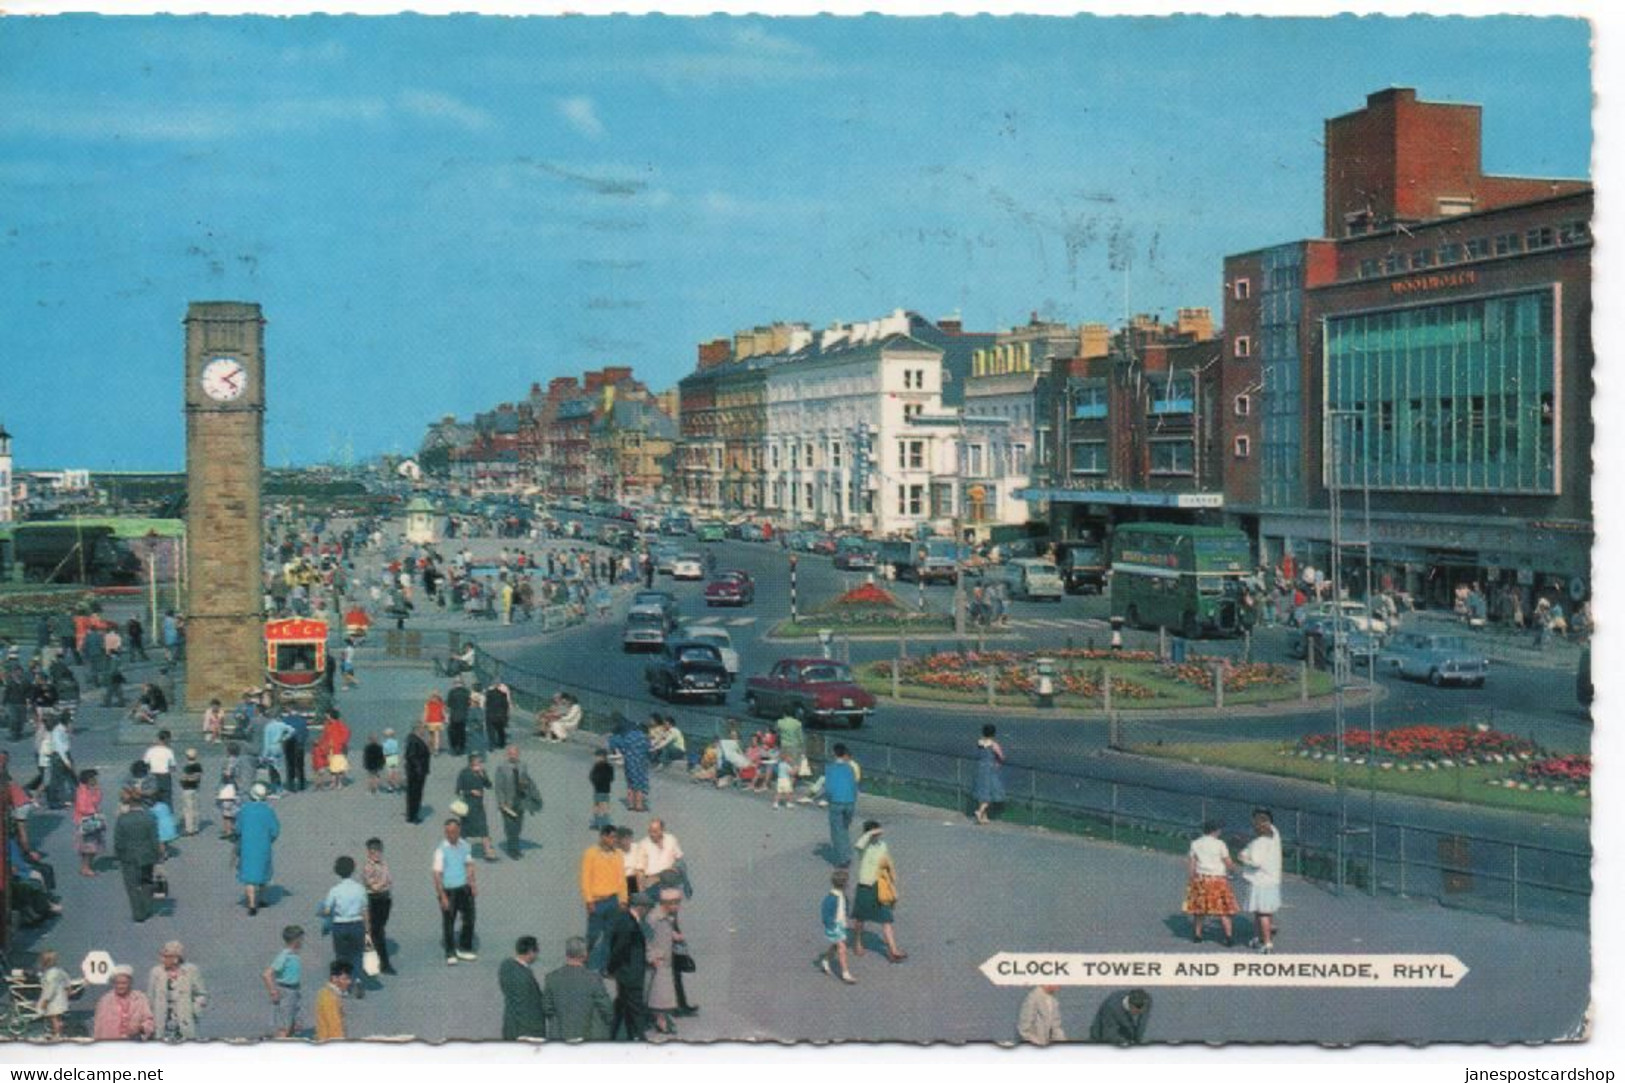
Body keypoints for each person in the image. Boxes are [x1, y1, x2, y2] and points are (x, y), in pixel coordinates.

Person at [851, 821, 907, 963]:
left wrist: (891, 880)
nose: (878, 836)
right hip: (865, 885)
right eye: (875, 833)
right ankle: (857, 941)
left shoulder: (882, 845)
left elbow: (888, 862)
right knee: (860, 917)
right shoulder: (864, 847)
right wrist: (869, 834)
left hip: (880, 885)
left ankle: (893, 950)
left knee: (886, 918)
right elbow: (858, 845)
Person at [541, 936, 613, 1041]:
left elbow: (546, 1008)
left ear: (567, 953)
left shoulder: (551, 978)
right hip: (589, 1037)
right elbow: (607, 1010)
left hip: (560, 1037)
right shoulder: (593, 979)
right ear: (585, 954)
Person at [319, 856, 372, 999]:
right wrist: (367, 929)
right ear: (353, 869)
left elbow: (327, 910)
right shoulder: (360, 889)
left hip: (340, 925)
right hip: (357, 924)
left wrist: (322, 913)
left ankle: (344, 987)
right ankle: (358, 979)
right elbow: (365, 910)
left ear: (337, 871)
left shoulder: (335, 890)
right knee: (357, 955)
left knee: (342, 956)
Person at [606, 891, 655, 1040]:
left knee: (622, 1005)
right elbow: (619, 949)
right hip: (630, 974)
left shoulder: (626, 920)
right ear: (640, 907)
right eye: (647, 908)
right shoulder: (628, 923)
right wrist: (611, 967)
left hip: (626, 973)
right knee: (636, 1008)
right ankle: (641, 1039)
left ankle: (614, 1034)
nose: (648, 912)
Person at [580, 824, 628, 972]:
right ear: (603, 837)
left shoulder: (618, 854)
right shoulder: (591, 854)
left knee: (609, 935)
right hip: (597, 902)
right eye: (612, 837)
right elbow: (585, 878)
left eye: (616, 837)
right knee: (592, 935)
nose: (615, 840)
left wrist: (623, 899)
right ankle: (584, 960)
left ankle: (605, 967)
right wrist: (588, 900)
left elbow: (622, 879)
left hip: (613, 901)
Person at [1184, 820, 1239, 945]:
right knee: (1224, 910)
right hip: (1218, 879)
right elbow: (1227, 861)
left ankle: (1198, 935)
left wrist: (1192, 877)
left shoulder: (1195, 843)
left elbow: (1192, 862)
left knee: (1199, 909)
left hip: (1202, 878)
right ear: (1215, 831)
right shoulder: (1220, 844)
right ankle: (1228, 936)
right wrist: (1234, 870)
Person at [433, 817, 479, 964]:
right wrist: (442, 896)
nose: (450, 834)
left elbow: (469, 864)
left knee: (470, 918)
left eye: (453, 831)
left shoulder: (465, 845)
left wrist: (472, 884)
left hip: (464, 888)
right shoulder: (441, 850)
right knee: (449, 922)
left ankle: (464, 948)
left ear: (459, 831)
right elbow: (437, 875)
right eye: (447, 832)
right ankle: (450, 952)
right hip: (449, 890)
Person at [113, 788, 162, 922]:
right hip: (147, 855)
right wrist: (158, 856)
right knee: (146, 881)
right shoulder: (150, 817)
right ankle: (146, 907)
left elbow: (118, 841)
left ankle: (138, 913)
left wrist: (118, 855)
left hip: (128, 856)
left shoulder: (122, 819)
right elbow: (154, 839)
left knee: (132, 885)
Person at [1239, 808, 1284, 953]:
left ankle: (1267, 944)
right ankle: (1260, 937)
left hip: (1260, 881)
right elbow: (1269, 826)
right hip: (1272, 880)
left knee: (1262, 913)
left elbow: (1255, 862)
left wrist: (1243, 858)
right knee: (1265, 912)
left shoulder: (1259, 843)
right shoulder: (1275, 836)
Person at [147, 941, 208, 1041]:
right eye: (163, 956)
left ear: (176, 958)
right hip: (162, 1019)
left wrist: (193, 1010)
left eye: (166, 957)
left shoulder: (190, 971)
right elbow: (150, 996)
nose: (162, 959)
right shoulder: (156, 972)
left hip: (184, 1017)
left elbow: (201, 994)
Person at [237, 783, 281, 916]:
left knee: (249, 875)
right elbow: (275, 830)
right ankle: (261, 899)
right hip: (263, 844)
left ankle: (251, 904)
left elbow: (238, 828)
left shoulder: (244, 810)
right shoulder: (268, 810)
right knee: (263, 872)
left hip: (247, 845)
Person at [645, 887, 683, 1037]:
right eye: (677, 903)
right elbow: (646, 939)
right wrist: (652, 957)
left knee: (663, 993)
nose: (679, 906)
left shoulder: (666, 916)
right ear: (668, 903)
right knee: (659, 994)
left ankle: (662, 1020)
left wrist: (674, 936)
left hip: (665, 959)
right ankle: (660, 1021)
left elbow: (664, 931)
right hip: (658, 960)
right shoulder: (654, 918)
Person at [494, 744, 542, 860]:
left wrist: (526, 786)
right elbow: (499, 787)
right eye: (510, 753)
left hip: (520, 801)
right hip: (507, 802)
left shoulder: (523, 765)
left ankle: (515, 846)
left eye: (515, 753)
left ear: (518, 754)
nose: (513, 756)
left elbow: (527, 781)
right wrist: (501, 802)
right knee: (510, 827)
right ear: (507, 754)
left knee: (518, 826)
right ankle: (512, 850)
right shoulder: (501, 768)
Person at [499, 935, 547, 1040]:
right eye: (536, 951)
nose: (537, 955)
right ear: (530, 952)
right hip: (529, 1031)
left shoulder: (506, 966)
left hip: (510, 1029)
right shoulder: (525, 976)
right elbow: (534, 1003)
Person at [263, 925, 305, 1039]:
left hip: (294, 990)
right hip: (286, 991)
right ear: (296, 940)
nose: (302, 942)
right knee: (285, 1025)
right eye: (301, 939)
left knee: (293, 1023)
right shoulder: (285, 956)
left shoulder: (294, 955)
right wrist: (273, 991)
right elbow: (267, 974)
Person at [455, 752, 498, 861]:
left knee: (483, 828)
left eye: (480, 762)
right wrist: (470, 792)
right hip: (468, 806)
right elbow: (458, 790)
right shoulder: (464, 773)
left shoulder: (481, 772)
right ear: (471, 763)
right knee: (465, 831)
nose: (480, 764)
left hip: (478, 806)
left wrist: (483, 777)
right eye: (477, 762)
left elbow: (489, 785)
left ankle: (488, 852)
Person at [361, 838, 396, 975]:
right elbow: (372, 885)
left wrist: (382, 884)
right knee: (376, 931)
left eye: (379, 850)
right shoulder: (368, 867)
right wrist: (383, 884)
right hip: (374, 899)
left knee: (380, 928)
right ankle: (383, 963)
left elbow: (390, 880)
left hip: (385, 899)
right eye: (373, 850)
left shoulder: (384, 864)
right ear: (369, 852)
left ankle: (377, 959)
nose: (376, 853)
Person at [816, 868, 857, 984]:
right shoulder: (831, 898)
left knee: (835, 945)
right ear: (843, 884)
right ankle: (845, 973)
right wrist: (830, 925)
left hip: (840, 924)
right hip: (834, 926)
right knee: (842, 948)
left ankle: (825, 960)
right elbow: (826, 912)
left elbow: (844, 907)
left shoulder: (840, 895)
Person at [92, 966, 155, 1040]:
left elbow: (149, 1021)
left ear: (130, 983)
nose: (120, 986)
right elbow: (98, 1027)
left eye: (124, 983)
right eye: (117, 983)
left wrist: (140, 1028)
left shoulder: (140, 998)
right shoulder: (105, 1001)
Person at [823, 743, 859, 867]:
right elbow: (854, 785)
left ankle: (842, 858)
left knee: (837, 831)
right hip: (849, 801)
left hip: (836, 802)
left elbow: (829, 788)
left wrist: (828, 799)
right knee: (845, 828)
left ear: (834, 753)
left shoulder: (830, 768)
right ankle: (848, 853)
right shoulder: (850, 768)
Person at [608, 716, 651, 813]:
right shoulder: (644, 738)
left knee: (630, 783)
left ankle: (630, 804)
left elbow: (620, 745)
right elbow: (648, 750)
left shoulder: (627, 736)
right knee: (640, 784)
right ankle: (639, 805)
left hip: (629, 762)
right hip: (640, 762)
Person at [633, 818, 684, 894]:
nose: (652, 834)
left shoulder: (671, 839)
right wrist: (640, 889)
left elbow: (679, 858)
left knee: (670, 876)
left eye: (655, 831)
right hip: (652, 881)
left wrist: (675, 867)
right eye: (650, 831)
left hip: (669, 879)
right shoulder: (643, 845)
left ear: (662, 830)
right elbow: (639, 869)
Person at [73, 767, 104, 877]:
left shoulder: (89, 789)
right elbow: (82, 808)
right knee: (89, 847)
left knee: (91, 847)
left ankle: (85, 867)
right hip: (86, 821)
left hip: (91, 820)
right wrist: (93, 812)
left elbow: (97, 800)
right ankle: (86, 868)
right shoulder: (82, 791)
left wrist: (96, 790)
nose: (96, 780)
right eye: (94, 778)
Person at [972, 724, 1006, 825]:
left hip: (980, 767)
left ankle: (984, 817)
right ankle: (980, 811)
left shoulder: (979, 743)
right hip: (989, 769)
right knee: (991, 791)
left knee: (982, 791)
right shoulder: (993, 744)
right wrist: (1000, 761)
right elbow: (1001, 756)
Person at [36, 948, 72, 1039]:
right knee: (58, 1017)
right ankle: (59, 1030)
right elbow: (67, 980)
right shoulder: (60, 971)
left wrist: (45, 1001)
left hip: (53, 1000)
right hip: (61, 997)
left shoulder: (50, 975)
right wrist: (68, 990)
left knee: (54, 1017)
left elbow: (50, 990)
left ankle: (57, 1034)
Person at [314, 961, 352, 1041]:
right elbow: (335, 1027)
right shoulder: (330, 998)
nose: (349, 982)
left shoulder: (325, 992)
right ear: (334, 978)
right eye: (345, 979)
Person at [404, 721, 432, 824]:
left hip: (417, 771)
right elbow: (412, 756)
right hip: (416, 772)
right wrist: (419, 768)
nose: (424, 730)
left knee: (415, 794)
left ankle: (412, 815)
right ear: (417, 729)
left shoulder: (414, 739)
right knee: (415, 794)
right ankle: (413, 816)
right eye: (422, 728)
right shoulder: (413, 740)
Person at [143, 729, 177, 808]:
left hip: (153, 775)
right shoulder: (168, 751)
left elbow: (145, 764)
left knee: (152, 799)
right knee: (166, 799)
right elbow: (173, 767)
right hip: (164, 776)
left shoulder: (150, 751)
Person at [178, 748, 204, 836]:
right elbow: (198, 777)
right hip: (196, 788)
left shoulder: (187, 767)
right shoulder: (198, 766)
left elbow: (184, 778)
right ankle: (196, 827)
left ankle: (189, 829)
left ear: (187, 756)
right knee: (195, 808)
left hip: (187, 788)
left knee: (188, 809)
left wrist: (184, 779)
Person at [445, 678, 471, 758]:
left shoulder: (452, 692)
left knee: (453, 732)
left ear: (455, 684)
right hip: (464, 715)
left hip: (454, 715)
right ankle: (461, 748)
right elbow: (469, 704)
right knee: (462, 732)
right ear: (462, 684)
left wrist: (446, 715)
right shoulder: (467, 692)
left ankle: (455, 748)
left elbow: (448, 704)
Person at [589, 749, 614, 830]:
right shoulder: (609, 767)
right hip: (605, 789)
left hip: (600, 789)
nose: (596, 758)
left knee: (599, 806)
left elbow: (592, 776)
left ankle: (599, 823)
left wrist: (595, 781)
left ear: (602, 757)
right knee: (603, 806)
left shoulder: (597, 766)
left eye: (597, 757)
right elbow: (611, 778)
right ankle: (603, 823)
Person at [485, 679, 512, 749]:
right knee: (501, 730)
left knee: (491, 730)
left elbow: (487, 704)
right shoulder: (503, 694)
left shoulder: (489, 693)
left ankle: (492, 744)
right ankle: (501, 744)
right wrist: (506, 715)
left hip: (491, 714)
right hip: (500, 715)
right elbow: (505, 705)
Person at [423, 690, 447, 756]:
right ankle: (436, 750)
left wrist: (424, 721)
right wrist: (446, 719)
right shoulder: (441, 703)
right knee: (437, 736)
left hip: (430, 721)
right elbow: (443, 712)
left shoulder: (428, 703)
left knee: (431, 736)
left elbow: (426, 713)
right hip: (438, 721)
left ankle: (431, 749)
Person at [381, 728, 402, 793]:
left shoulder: (385, 743)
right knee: (395, 772)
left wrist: (384, 760)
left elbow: (384, 753)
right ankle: (396, 785)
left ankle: (390, 787)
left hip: (389, 757)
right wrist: (398, 758)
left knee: (390, 773)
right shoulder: (396, 742)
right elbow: (398, 751)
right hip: (395, 757)